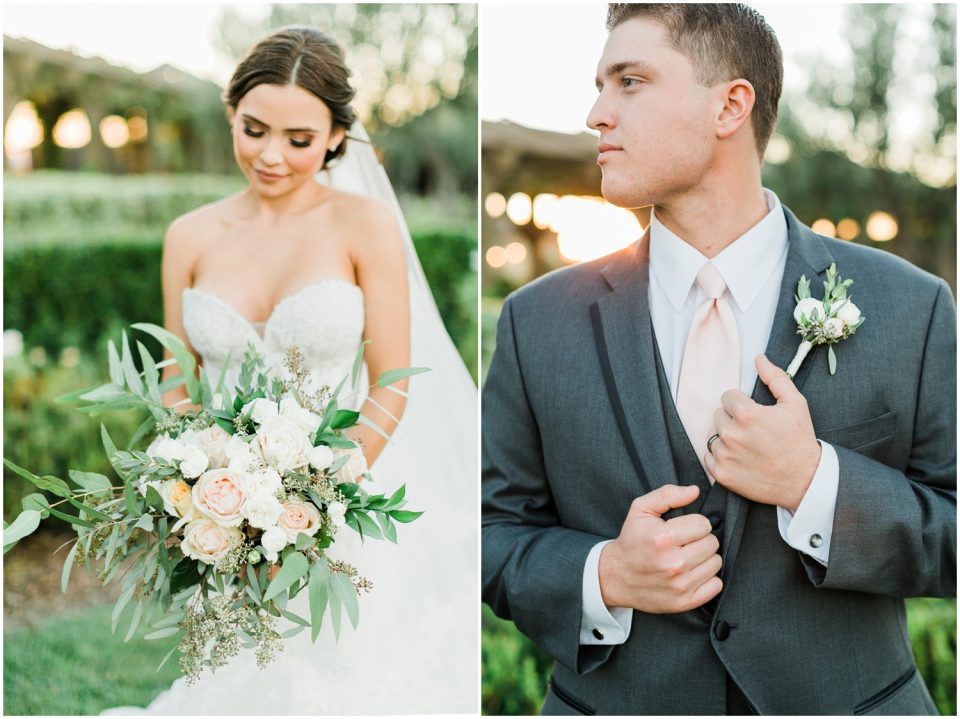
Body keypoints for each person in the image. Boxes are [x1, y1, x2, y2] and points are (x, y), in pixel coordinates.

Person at [481, 4, 956, 715]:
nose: (595, 114)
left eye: (629, 81)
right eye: (599, 85)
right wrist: (603, 573)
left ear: (731, 105)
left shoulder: (911, 308)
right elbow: (488, 534)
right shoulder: (536, 321)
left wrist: (815, 482)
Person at [103, 25, 477, 715]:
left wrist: (317, 501)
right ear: (231, 113)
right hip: (227, 513)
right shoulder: (188, 235)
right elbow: (176, 383)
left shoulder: (365, 226)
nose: (271, 155)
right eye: (254, 129)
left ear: (337, 136)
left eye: (299, 140)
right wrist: (211, 494)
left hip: (345, 506)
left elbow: (392, 381)